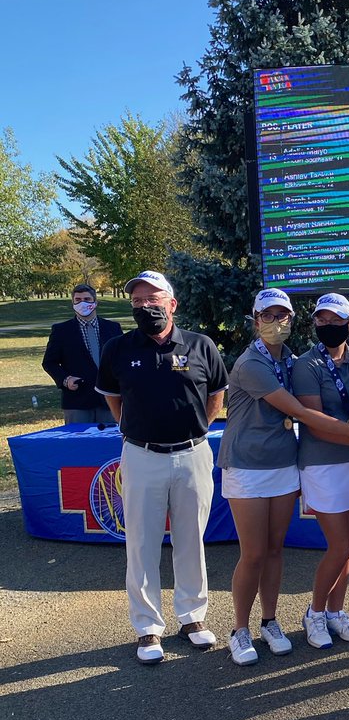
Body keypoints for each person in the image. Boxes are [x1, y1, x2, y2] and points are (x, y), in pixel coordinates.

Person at [218, 289, 349, 666]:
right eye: (268, 315)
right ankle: (239, 630)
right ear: (256, 320)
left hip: (282, 464)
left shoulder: (288, 360)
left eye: (283, 315)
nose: (277, 322)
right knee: (254, 553)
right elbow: (301, 413)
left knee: (275, 551)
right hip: (246, 465)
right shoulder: (251, 364)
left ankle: (270, 622)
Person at [96, 270, 229, 665]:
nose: (145, 306)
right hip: (141, 455)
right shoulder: (117, 349)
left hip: (192, 454)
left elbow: (216, 395)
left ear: (172, 304)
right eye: (137, 301)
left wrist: (195, 429)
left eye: (153, 299)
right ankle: (147, 627)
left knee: (191, 540)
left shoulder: (201, 346)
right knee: (141, 543)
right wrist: (134, 430)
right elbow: (114, 399)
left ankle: (192, 618)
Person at [293, 293, 349, 649]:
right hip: (323, 462)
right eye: (321, 320)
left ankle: (336, 613)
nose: (328, 326)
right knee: (339, 545)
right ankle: (314, 612)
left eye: (336, 320)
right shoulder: (306, 365)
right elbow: (315, 424)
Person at [42, 283, 123, 424]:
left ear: (95, 302)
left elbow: (123, 359)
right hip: (77, 401)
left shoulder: (113, 328)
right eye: (78, 300)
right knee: (78, 444)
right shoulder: (61, 331)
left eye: (87, 299)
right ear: (73, 303)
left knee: (110, 443)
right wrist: (65, 380)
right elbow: (49, 362)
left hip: (110, 398)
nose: (82, 303)